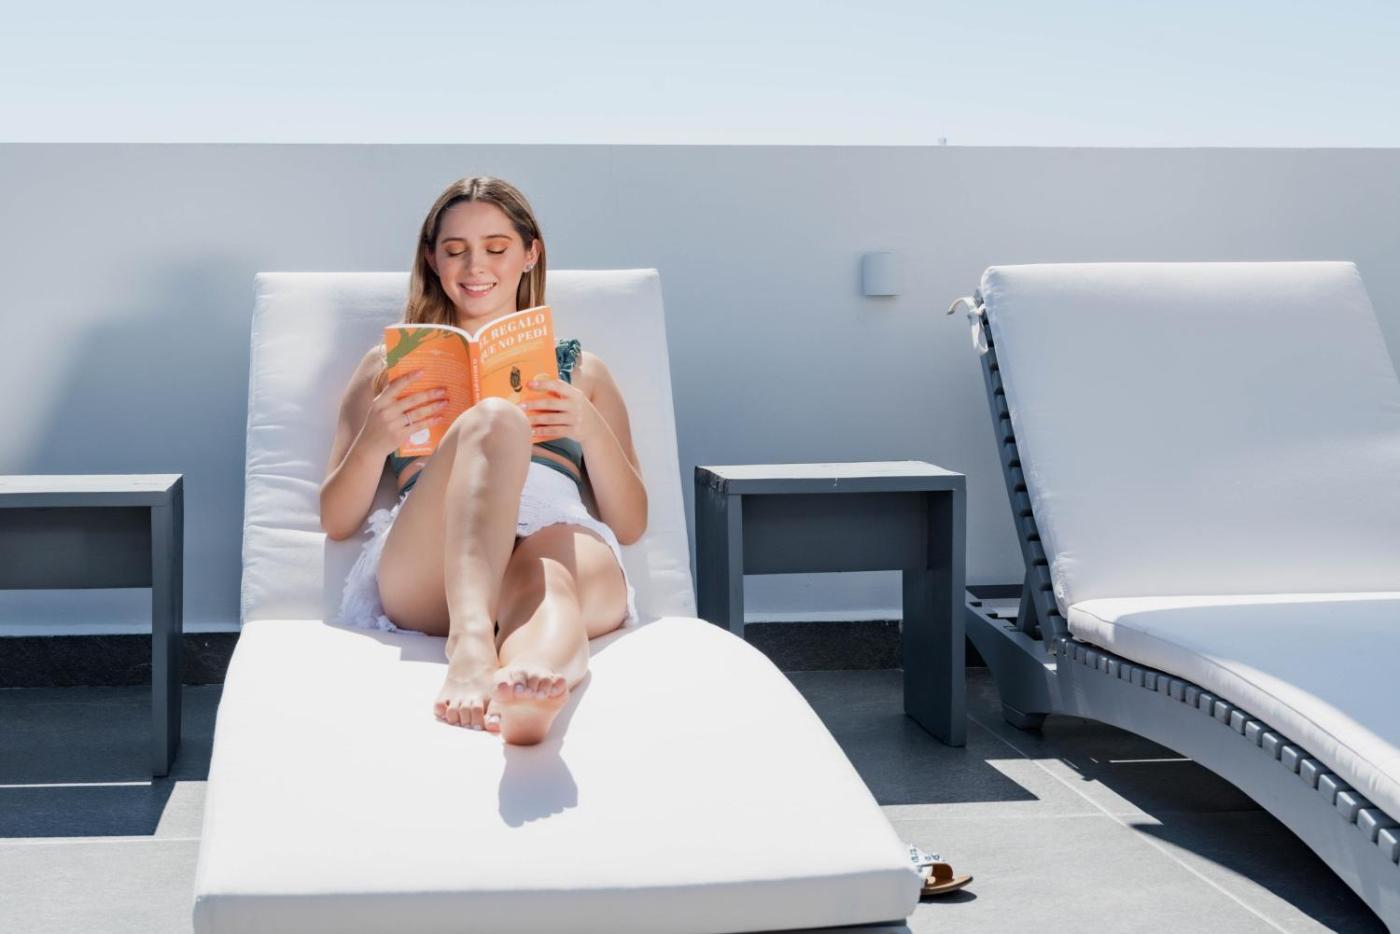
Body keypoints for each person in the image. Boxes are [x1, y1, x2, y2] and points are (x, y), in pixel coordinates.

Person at [320, 176, 645, 746]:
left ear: (530, 254)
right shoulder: (386, 367)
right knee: (496, 418)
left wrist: (590, 429)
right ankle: (471, 643)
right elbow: (337, 519)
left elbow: (632, 523)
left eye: (496, 248)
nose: (476, 267)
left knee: (550, 582)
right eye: (455, 250)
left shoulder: (583, 370)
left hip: (553, 539)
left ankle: (533, 684)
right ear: (432, 259)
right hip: (434, 562)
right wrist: (373, 440)